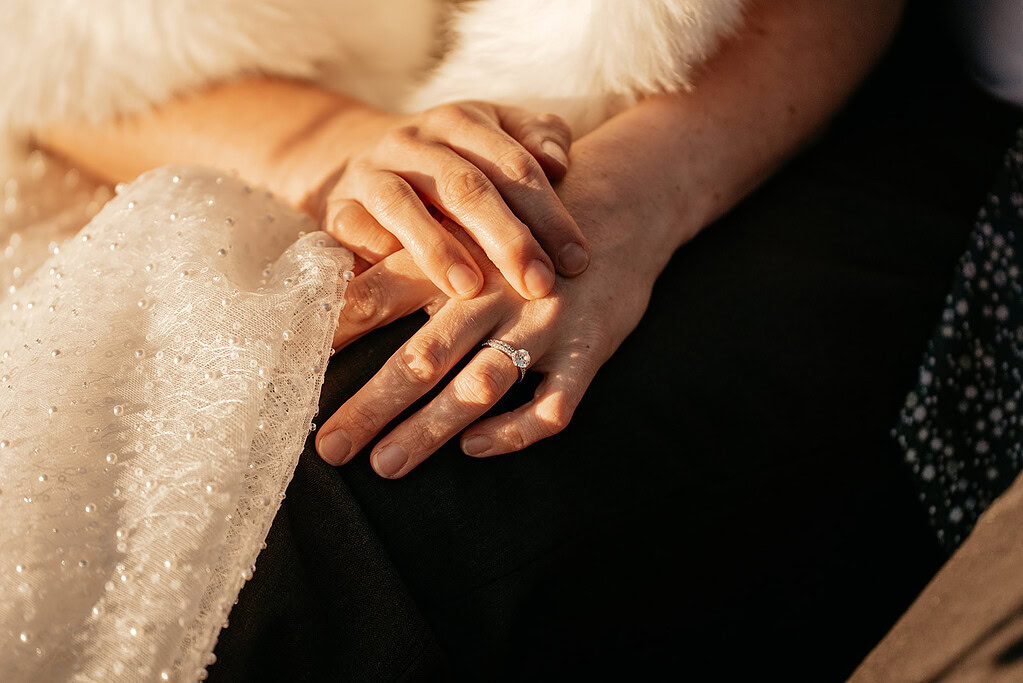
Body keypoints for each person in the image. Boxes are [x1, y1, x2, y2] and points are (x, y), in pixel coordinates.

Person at [1, 0, 1008, 679]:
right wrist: (336, 147)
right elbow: (55, 53)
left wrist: (634, 193)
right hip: (265, 141)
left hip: (766, 111)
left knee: (367, 519)